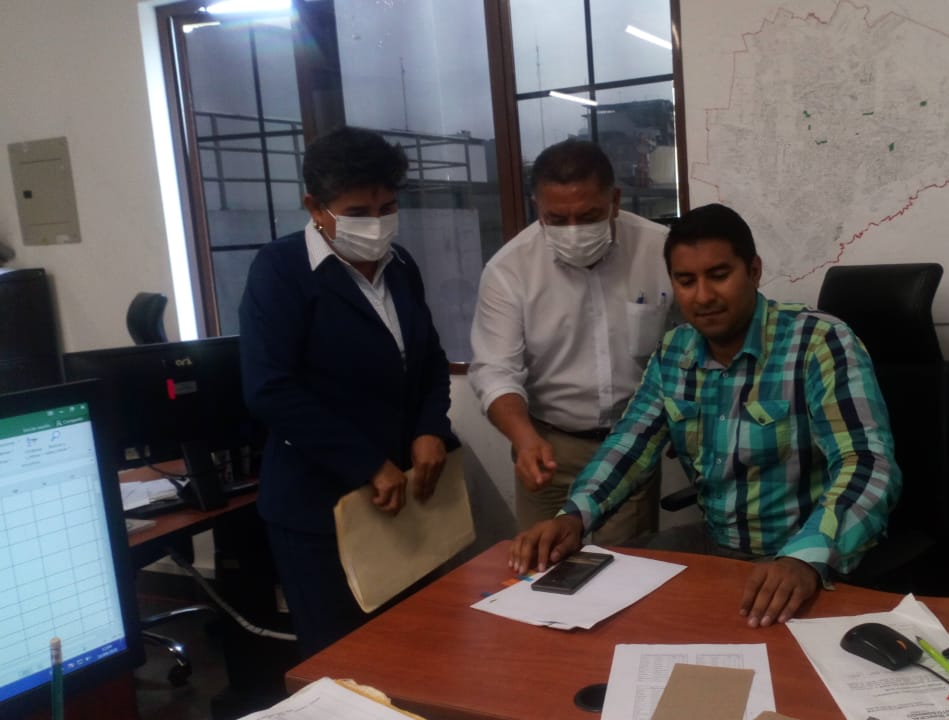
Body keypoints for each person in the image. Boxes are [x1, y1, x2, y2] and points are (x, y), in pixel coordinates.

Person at [510, 203, 901, 628]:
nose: (703, 296)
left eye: (719, 275)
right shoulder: (674, 352)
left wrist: (805, 558)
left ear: (753, 271)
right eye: (686, 281)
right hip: (715, 546)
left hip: (803, 555)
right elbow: (630, 444)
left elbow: (867, 464)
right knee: (595, 595)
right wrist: (575, 515)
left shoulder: (818, 342)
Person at [239, 126, 458, 657]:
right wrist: (366, 463)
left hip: (403, 499)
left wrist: (431, 427)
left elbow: (428, 360)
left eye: (387, 208)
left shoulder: (400, 266)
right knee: (344, 660)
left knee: (420, 647)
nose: (376, 223)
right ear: (315, 207)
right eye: (358, 211)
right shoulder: (281, 271)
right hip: (320, 509)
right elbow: (270, 389)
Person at [469, 139, 672, 544]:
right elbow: (494, 371)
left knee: (624, 568)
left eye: (589, 215)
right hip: (546, 447)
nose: (574, 231)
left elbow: (693, 341)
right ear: (537, 208)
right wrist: (524, 438)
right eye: (557, 219)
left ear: (615, 201)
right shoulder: (509, 269)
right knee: (541, 564)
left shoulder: (659, 250)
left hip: (628, 445)